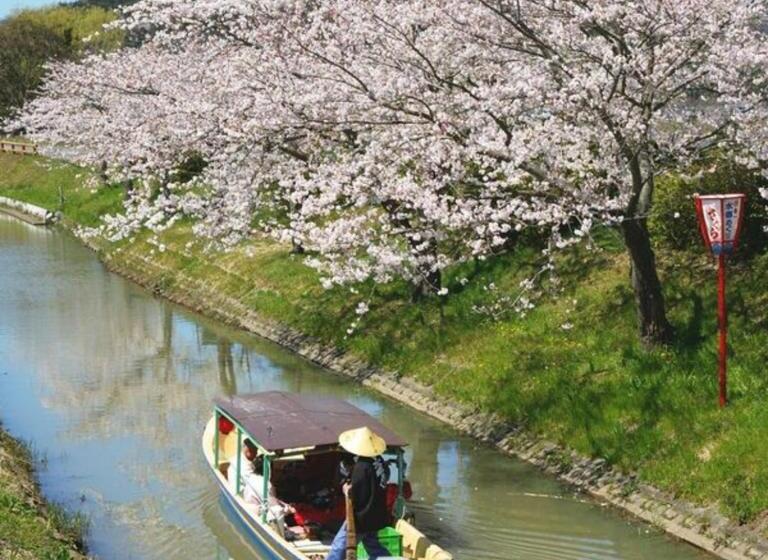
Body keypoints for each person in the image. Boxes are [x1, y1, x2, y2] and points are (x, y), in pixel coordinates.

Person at [326, 427, 391, 560]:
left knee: (339, 545)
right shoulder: (378, 460)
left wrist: (346, 491)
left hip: (363, 517)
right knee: (373, 545)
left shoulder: (362, 466)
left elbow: (356, 494)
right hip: (376, 514)